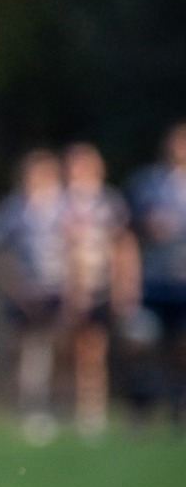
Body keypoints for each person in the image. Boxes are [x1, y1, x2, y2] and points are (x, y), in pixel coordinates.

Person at [57, 142, 138, 437]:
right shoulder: (59, 201)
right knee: (64, 350)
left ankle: (92, 410)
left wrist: (123, 284)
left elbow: (122, 244)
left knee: (93, 350)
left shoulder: (108, 202)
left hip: (97, 285)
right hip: (62, 287)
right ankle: (61, 406)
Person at [0, 149, 68, 442]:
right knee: (24, 350)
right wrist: (17, 288)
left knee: (56, 348)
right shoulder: (13, 209)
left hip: (55, 288)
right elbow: (3, 255)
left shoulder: (63, 207)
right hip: (23, 291)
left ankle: (57, 405)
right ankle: (27, 406)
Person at [128, 121, 186, 423]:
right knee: (142, 339)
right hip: (155, 281)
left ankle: (179, 402)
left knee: (182, 344)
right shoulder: (149, 183)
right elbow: (129, 230)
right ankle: (144, 402)